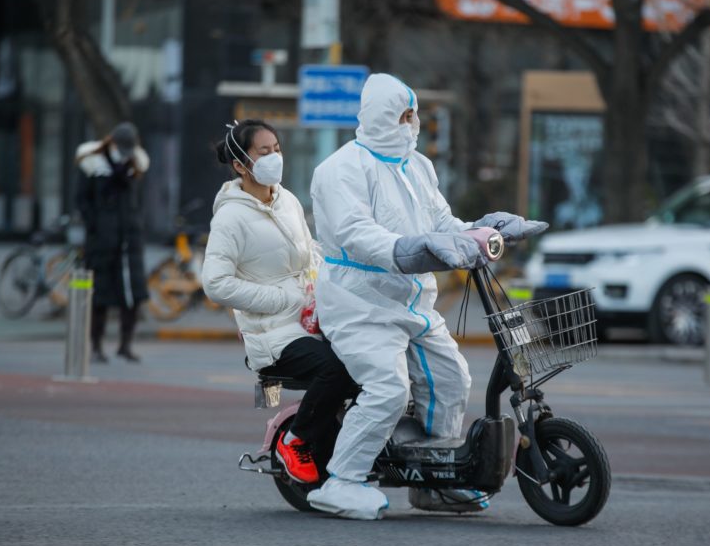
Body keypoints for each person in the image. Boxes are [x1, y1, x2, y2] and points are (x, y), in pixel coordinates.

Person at [306, 74, 548, 519]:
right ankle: (341, 480)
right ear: (379, 115)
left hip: (414, 301)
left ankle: (435, 479)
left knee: (453, 378)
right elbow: (357, 236)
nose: (411, 124)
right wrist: (410, 250)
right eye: (402, 115)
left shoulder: (418, 166)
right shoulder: (340, 169)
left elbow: (441, 221)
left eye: (413, 115)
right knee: (388, 389)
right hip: (359, 303)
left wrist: (484, 231)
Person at [201, 119, 357, 483]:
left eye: (277, 149)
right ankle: (295, 439)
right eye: (264, 151)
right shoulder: (230, 217)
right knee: (337, 369)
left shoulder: (285, 199)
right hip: (272, 332)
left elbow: (308, 253)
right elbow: (215, 284)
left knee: (371, 356)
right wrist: (280, 298)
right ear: (240, 164)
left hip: (309, 317)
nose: (274, 157)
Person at [75, 121, 150, 363]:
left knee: (133, 296)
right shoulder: (92, 165)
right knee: (100, 297)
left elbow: (136, 201)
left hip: (130, 239)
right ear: (113, 142)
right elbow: (82, 199)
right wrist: (94, 226)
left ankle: (125, 345)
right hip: (102, 241)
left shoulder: (135, 165)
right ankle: (96, 346)